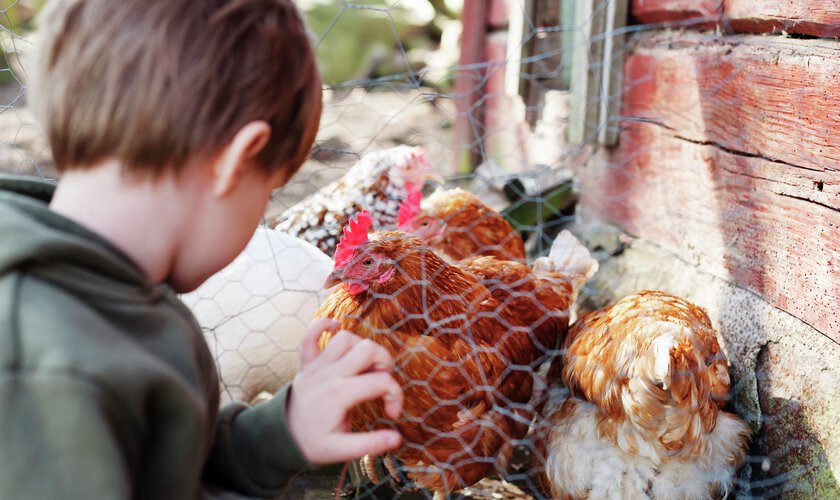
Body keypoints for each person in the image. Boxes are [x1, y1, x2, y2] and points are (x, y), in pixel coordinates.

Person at [0, 0, 404, 498]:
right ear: (234, 163)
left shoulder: (111, 295)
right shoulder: (47, 363)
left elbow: (160, 466)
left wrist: (279, 433)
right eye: (266, 193)